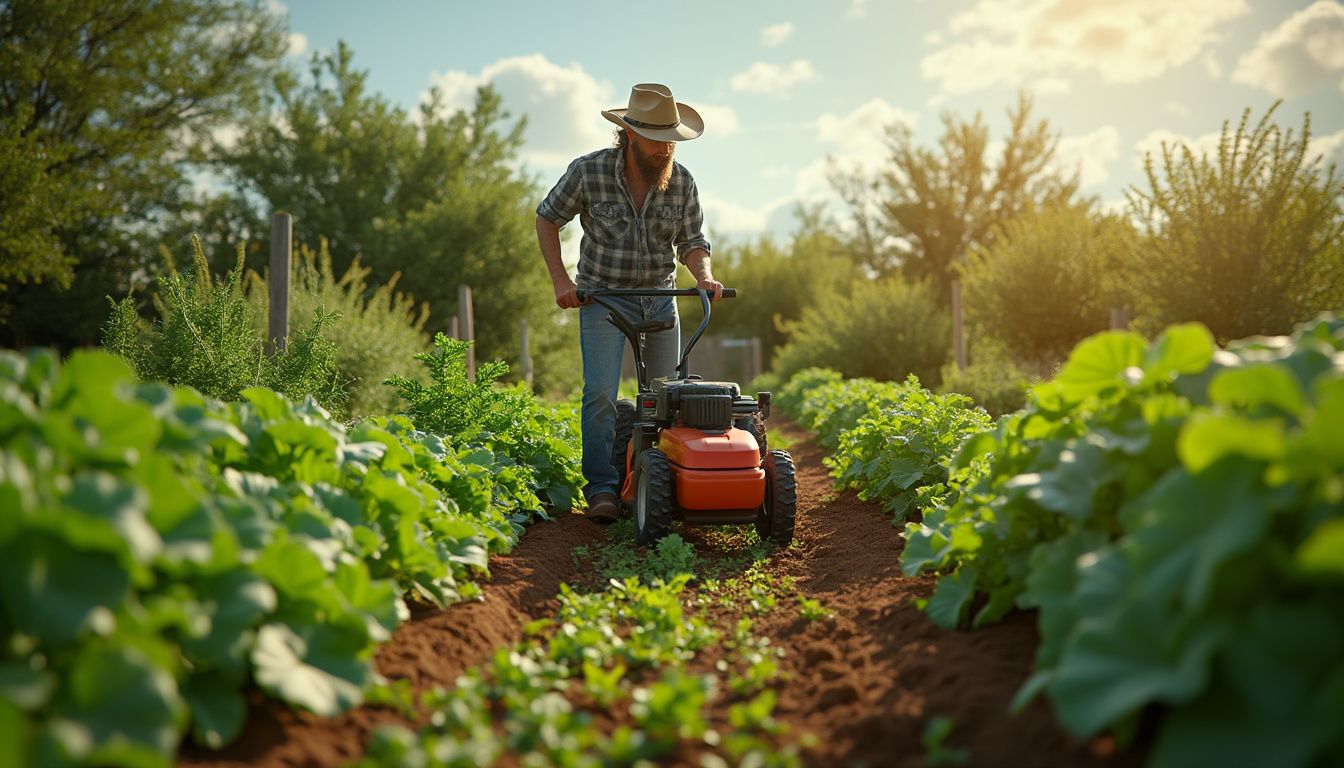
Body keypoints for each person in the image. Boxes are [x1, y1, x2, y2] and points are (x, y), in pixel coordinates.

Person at [535, 83, 723, 523]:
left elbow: (692, 241)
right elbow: (547, 218)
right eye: (657, 139)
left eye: (671, 139)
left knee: (666, 398)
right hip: (603, 297)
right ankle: (602, 488)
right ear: (631, 134)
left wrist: (704, 275)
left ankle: (656, 485)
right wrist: (561, 281)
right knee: (601, 394)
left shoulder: (681, 181)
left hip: (660, 298)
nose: (665, 148)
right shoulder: (589, 172)